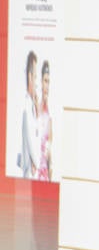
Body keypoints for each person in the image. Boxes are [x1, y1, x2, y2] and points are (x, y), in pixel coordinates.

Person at [17, 51, 40, 179]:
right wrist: (36, 162)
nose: (37, 83)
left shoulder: (30, 104)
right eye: (35, 77)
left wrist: (37, 112)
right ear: (30, 77)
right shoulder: (26, 105)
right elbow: (31, 140)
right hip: (28, 174)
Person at [35, 60, 52, 181]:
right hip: (35, 166)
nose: (47, 85)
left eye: (49, 82)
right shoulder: (37, 105)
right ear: (41, 82)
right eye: (45, 81)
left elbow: (50, 139)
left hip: (45, 168)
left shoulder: (50, 111)